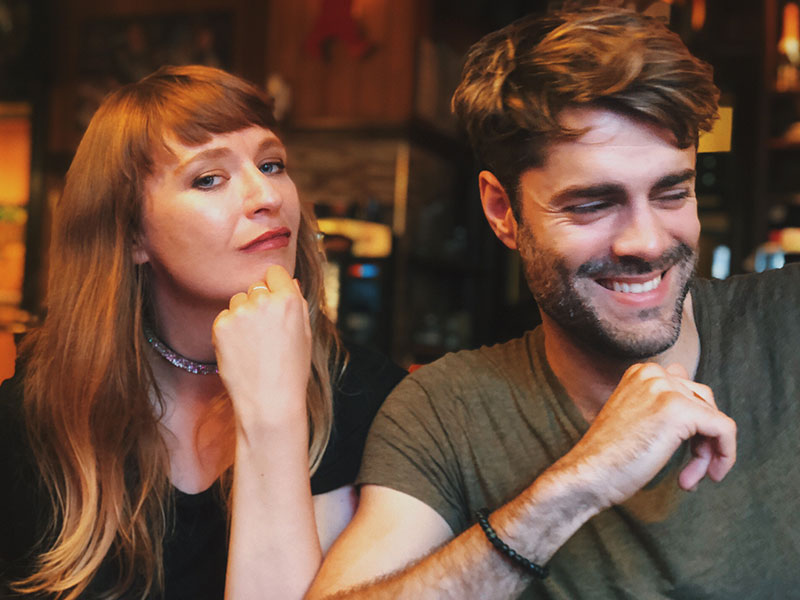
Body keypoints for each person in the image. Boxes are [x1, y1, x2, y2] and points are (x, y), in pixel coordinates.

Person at [308, 7, 800, 599]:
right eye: (592, 204)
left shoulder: (786, 323)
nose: (645, 242)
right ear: (502, 211)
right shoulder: (447, 411)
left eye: (673, 192)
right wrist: (577, 485)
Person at [0, 65, 405, 600]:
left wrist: (274, 414)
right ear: (132, 235)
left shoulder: (375, 402)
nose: (268, 196)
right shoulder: (38, 412)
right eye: (209, 178)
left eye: (272, 163)